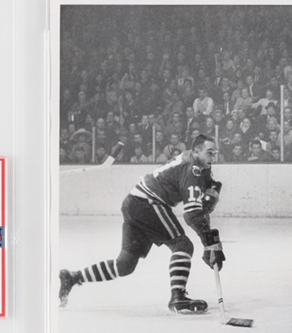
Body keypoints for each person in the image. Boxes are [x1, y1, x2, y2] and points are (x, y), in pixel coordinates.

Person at [58, 135, 224, 315]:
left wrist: (213, 189)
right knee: (182, 245)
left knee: (125, 265)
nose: (213, 157)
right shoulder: (192, 169)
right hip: (148, 203)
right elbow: (192, 215)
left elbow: (207, 186)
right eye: (209, 153)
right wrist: (211, 244)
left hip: (133, 202)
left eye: (215, 153)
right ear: (196, 151)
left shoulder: (196, 162)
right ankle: (178, 298)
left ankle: (73, 277)